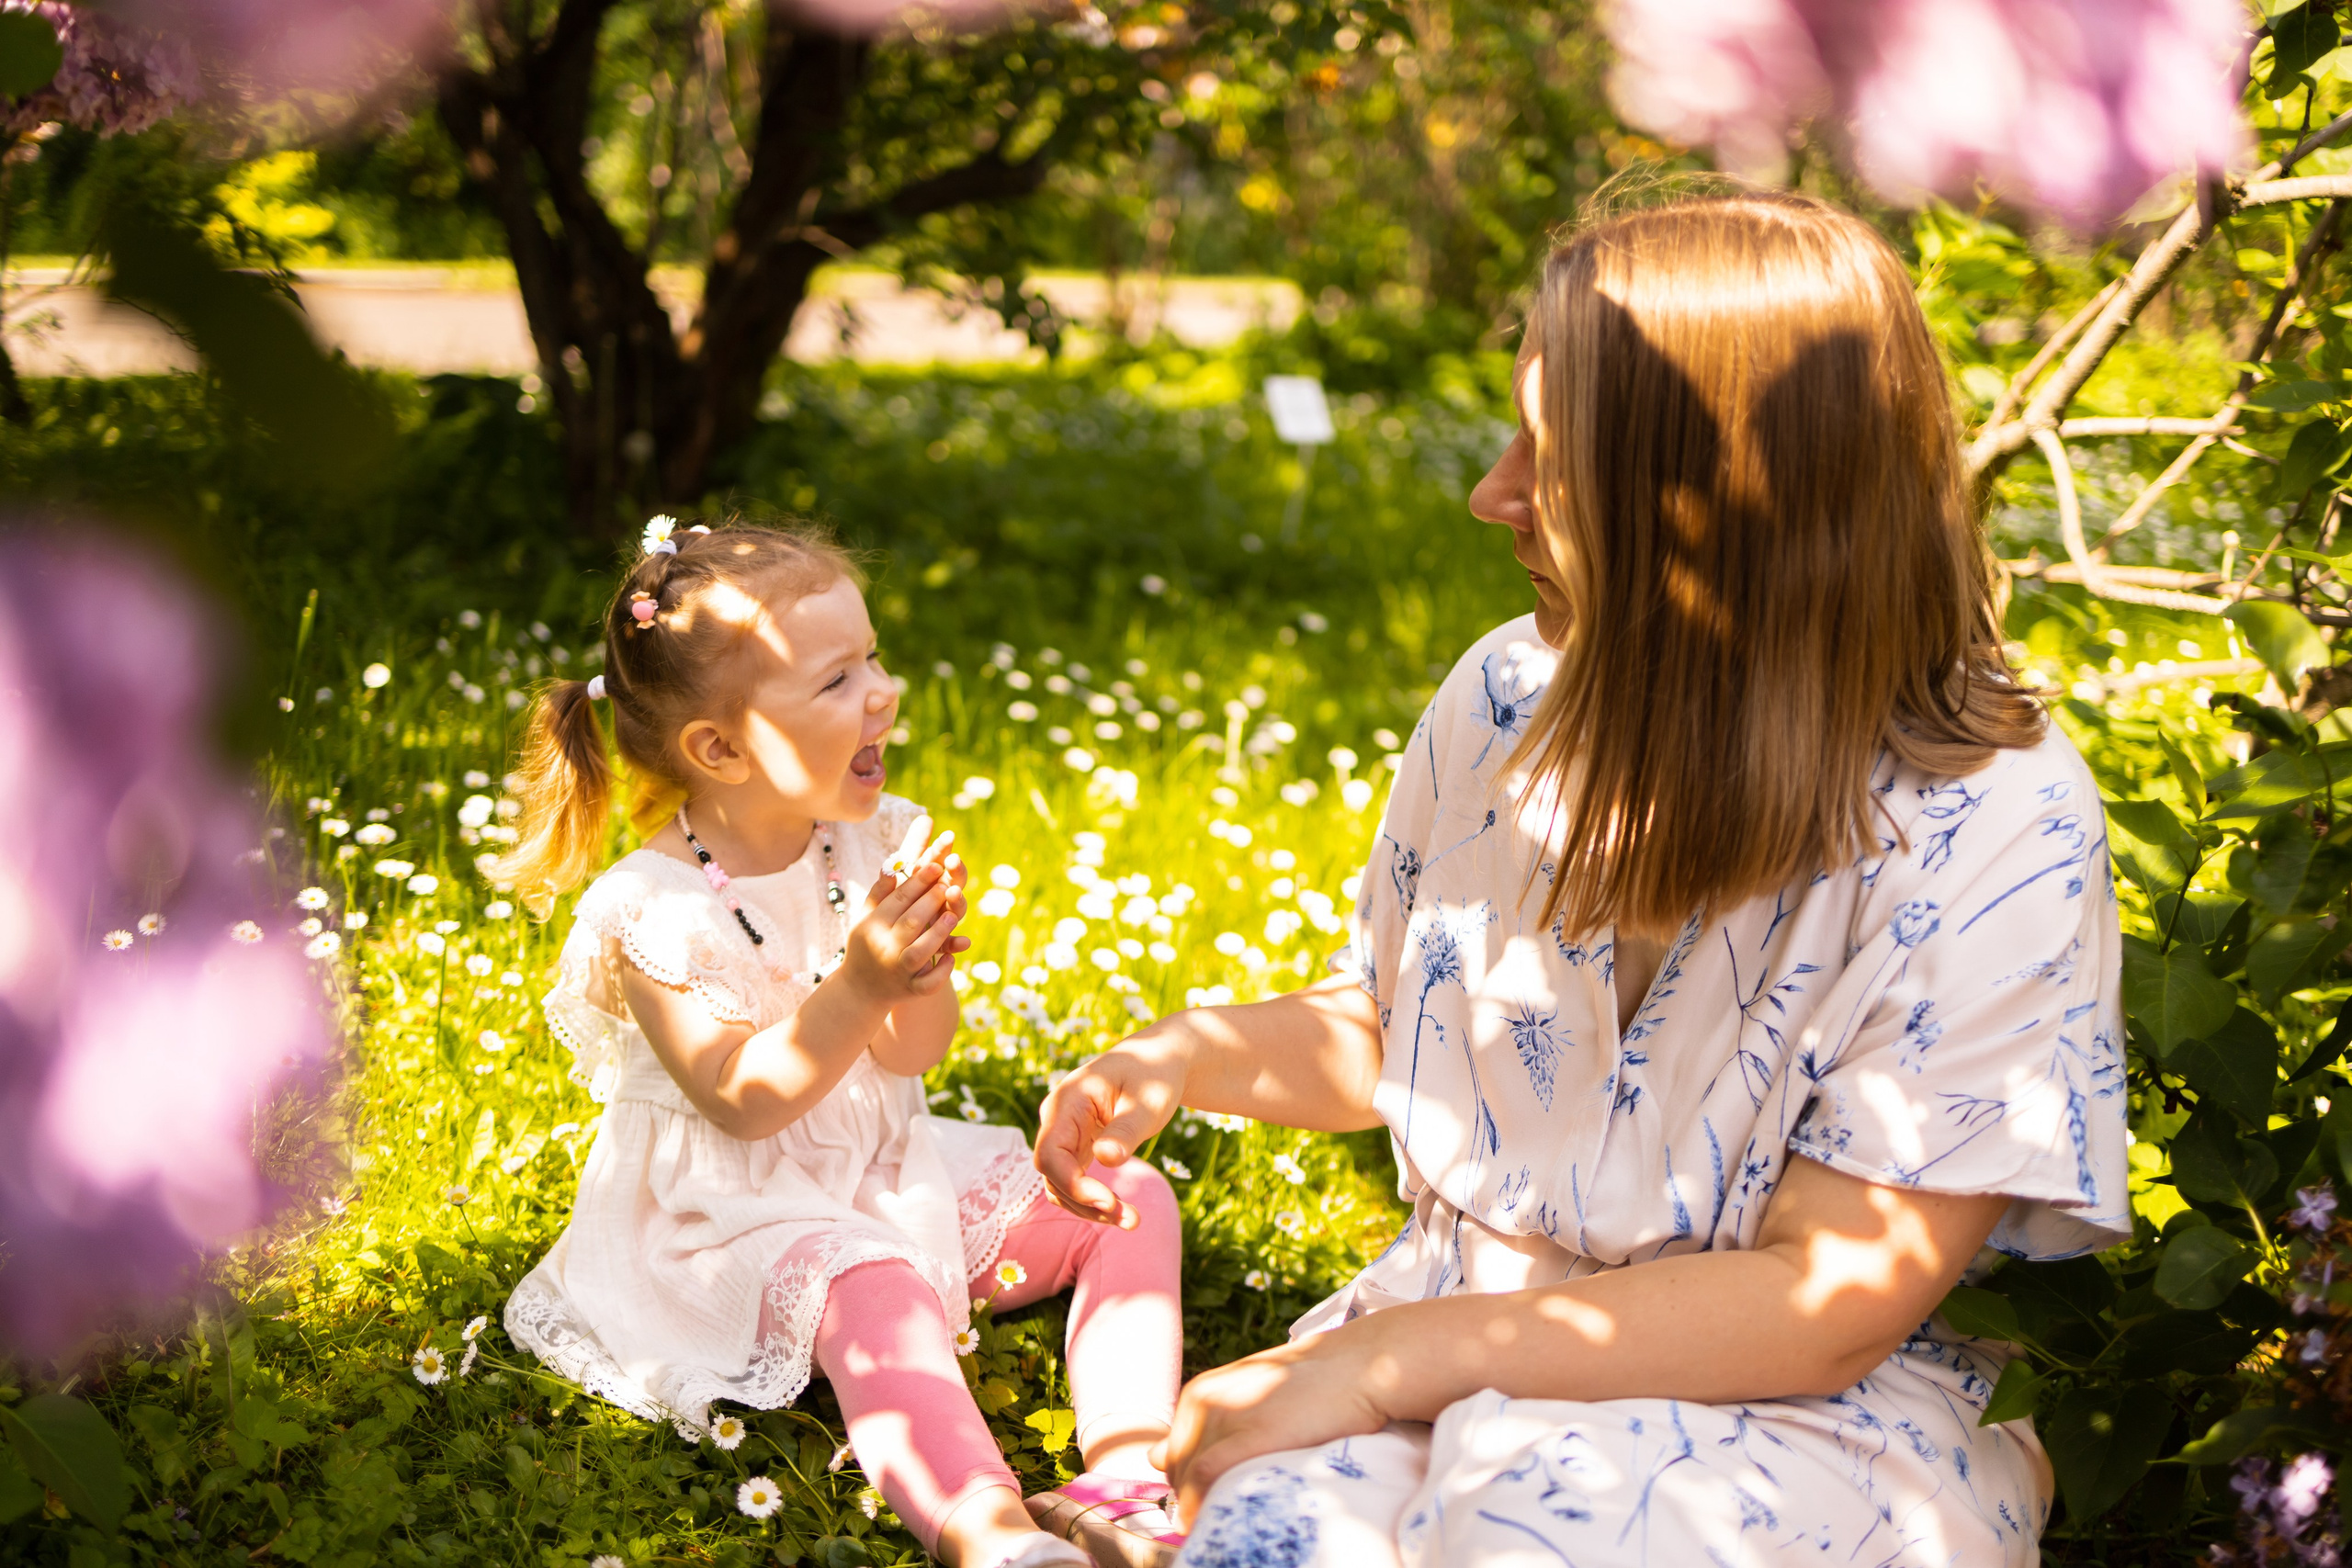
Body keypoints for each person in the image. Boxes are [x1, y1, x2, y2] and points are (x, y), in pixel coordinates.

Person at [1035, 190, 2125, 1567]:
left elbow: (1830, 1298)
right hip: (1459, 1347)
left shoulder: (1990, 821)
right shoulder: (1508, 697)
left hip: (1813, 1421)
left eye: (1554, 461)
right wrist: (1185, 1052)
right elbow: (1407, 1027)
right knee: (1271, 1528)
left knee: (1527, 1534)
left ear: (1730, 505)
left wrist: (1377, 1366)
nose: (1490, 492)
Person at [500, 518, 1186, 1568]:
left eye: (871, 657)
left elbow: (913, 1057)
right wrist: (860, 980)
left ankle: (1129, 1472)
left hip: (881, 1167)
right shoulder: (652, 909)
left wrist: (919, 974)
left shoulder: (872, 837)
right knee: (881, 1288)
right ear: (719, 749)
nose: (883, 691)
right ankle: (990, 1532)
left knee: (1125, 1196)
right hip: (728, 1218)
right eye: (834, 681)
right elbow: (741, 1099)